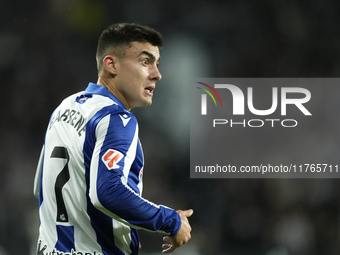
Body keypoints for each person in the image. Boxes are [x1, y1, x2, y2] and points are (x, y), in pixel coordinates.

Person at [33, 22, 193, 255]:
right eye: (145, 61)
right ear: (111, 64)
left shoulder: (63, 108)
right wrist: (171, 220)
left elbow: (41, 187)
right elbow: (107, 193)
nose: (157, 74)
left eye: (157, 64)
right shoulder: (116, 119)